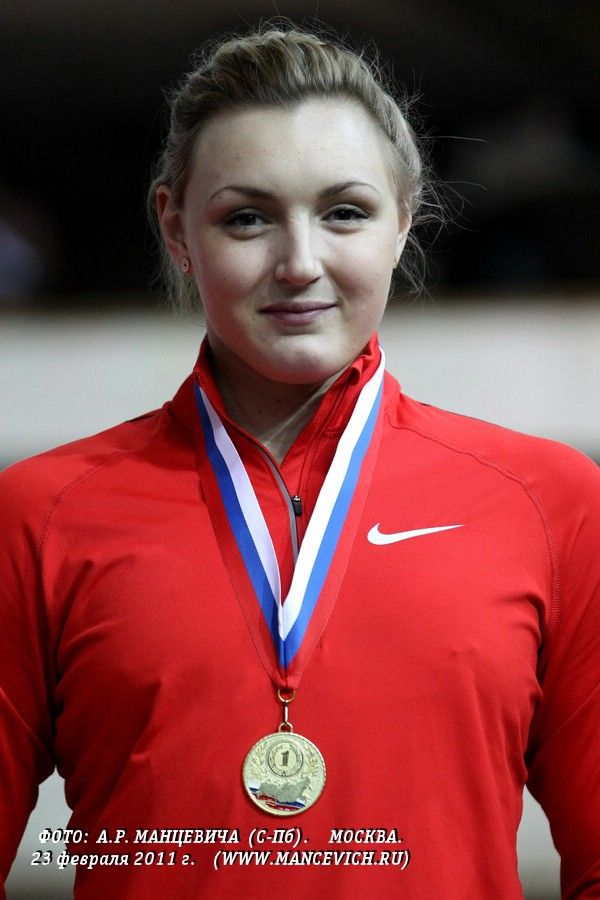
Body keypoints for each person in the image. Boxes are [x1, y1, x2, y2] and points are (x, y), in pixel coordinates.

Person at [1, 21, 599, 900]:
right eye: (246, 218)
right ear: (176, 228)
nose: (299, 263)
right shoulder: (40, 516)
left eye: (345, 212)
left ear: (405, 220)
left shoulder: (550, 504)